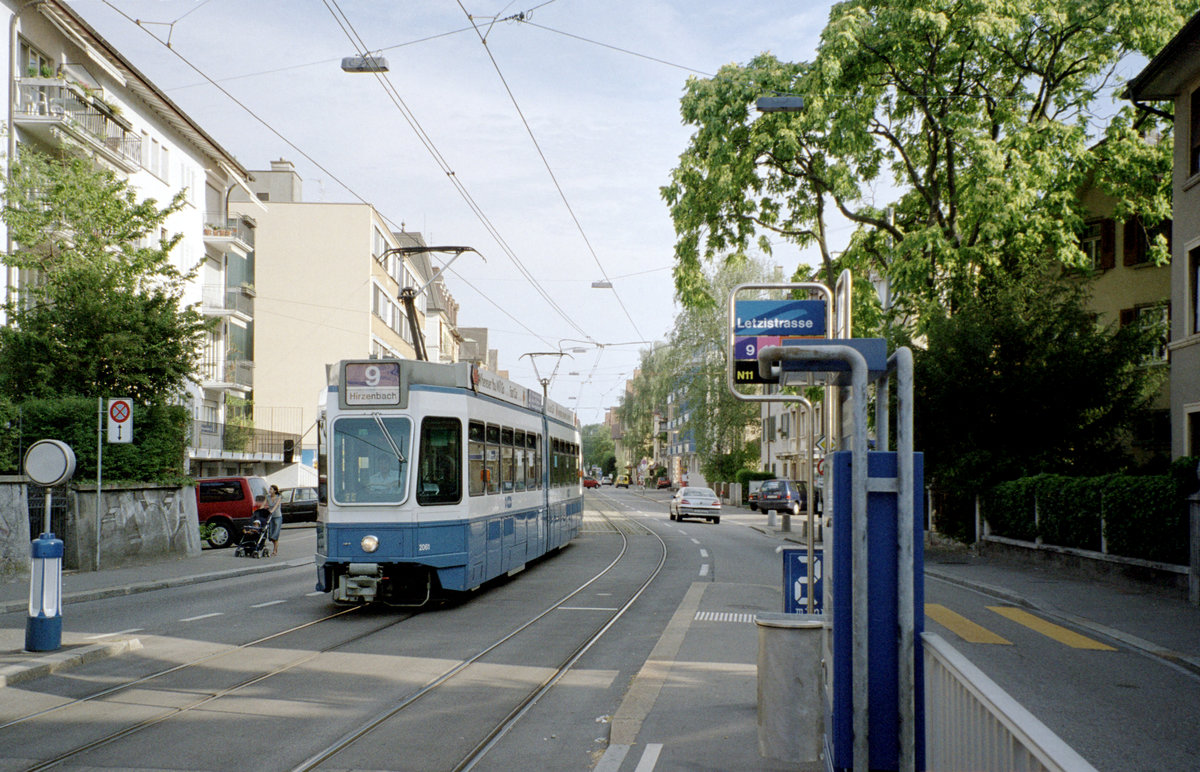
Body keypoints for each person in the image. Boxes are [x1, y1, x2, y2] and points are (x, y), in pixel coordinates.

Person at [265, 485, 283, 556]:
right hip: (270, 517)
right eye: (269, 489)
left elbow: (276, 505)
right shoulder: (267, 497)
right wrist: (259, 510)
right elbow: (263, 504)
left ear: (275, 491)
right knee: (270, 535)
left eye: (271, 489)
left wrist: (271, 510)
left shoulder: (279, 497)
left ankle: (275, 551)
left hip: (277, 517)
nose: (270, 490)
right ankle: (275, 547)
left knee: (275, 534)